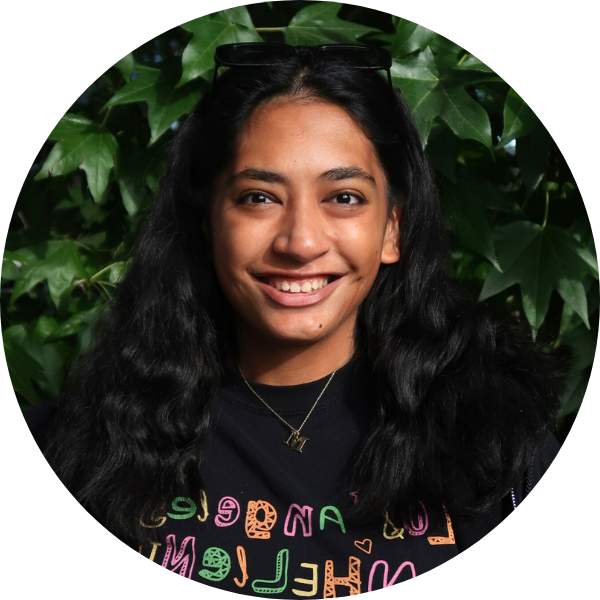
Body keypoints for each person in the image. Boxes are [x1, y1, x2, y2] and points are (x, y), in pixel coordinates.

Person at [25, 43, 566, 594]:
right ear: (208, 222)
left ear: (392, 230)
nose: (301, 242)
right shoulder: (79, 448)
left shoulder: (496, 445)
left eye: (345, 197)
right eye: (259, 197)